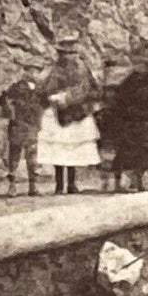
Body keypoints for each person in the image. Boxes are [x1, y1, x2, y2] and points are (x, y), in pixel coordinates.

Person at [36, 33, 101, 195]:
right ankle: (59, 184)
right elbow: (46, 88)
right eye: (64, 54)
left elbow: (88, 89)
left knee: (72, 149)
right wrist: (52, 97)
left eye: (69, 53)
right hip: (58, 112)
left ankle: (71, 184)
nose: (67, 57)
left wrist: (69, 97)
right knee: (58, 149)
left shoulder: (82, 68)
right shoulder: (56, 69)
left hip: (76, 112)